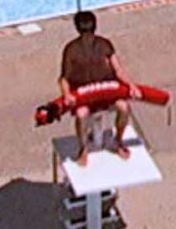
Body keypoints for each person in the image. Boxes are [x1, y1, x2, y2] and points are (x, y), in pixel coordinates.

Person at [59, 11, 140, 166]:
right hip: (84, 91)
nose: (87, 36)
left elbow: (118, 70)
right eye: (84, 32)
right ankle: (83, 148)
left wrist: (131, 85)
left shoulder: (104, 45)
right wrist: (67, 94)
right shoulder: (71, 50)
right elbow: (64, 78)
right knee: (82, 115)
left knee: (124, 107)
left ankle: (118, 141)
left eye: (89, 31)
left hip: (105, 89)